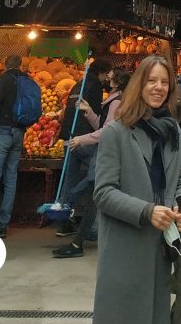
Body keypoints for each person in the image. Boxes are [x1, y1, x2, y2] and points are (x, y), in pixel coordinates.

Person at [92, 55, 181, 324]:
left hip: (160, 248)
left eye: (164, 82)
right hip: (125, 248)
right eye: (151, 81)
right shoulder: (116, 132)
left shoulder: (172, 131)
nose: (158, 87)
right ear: (139, 85)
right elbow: (103, 192)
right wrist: (146, 211)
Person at [52, 67, 131, 258]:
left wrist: (81, 139)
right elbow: (103, 126)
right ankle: (80, 239)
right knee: (93, 197)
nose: (106, 78)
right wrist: (89, 112)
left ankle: (78, 241)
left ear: (115, 83)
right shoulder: (113, 101)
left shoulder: (116, 103)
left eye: (110, 77)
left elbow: (107, 132)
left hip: (107, 156)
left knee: (94, 197)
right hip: (106, 155)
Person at [0, 54, 39, 237]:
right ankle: (2, 225)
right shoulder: (27, 81)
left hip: (1, 132)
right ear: (21, 65)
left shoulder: (3, 80)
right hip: (19, 133)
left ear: (5, 65)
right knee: (10, 179)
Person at [56, 57, 112, 239]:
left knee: (69, 180)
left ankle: (64, 222)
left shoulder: (77, 85)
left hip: (69, 137)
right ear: (102, 73)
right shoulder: (95, 86)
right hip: (84, 139)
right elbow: (93, 115)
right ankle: (91, 226)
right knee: (94, 177)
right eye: (107, 75)